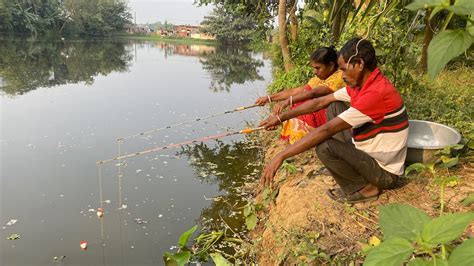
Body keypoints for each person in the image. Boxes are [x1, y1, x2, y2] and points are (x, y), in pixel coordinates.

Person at [258, 38, 409, 204]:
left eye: (344, 70)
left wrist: (281, 156)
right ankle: (348, 168)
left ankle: (365, 188)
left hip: (385, 174)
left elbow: (326, 130)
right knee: (334, 106)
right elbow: (320, 102)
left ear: (359, 64)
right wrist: (280, 117)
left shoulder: (375, 94)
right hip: (370, 155)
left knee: (324, 147)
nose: (342, 76)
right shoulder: (363, 85)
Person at [255, 46, 345, 144]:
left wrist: (287, 101)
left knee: (303, 104)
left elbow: (312, 94)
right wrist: (269, 98)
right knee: (298, 105)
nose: (314, 72)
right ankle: (282, 125)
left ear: (331, 65)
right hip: (327, 118)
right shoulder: (321, 77)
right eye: (314, 68)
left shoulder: (339, 76)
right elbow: (299, 90)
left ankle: (309, 135)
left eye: (318, 68)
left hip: (336, 119)